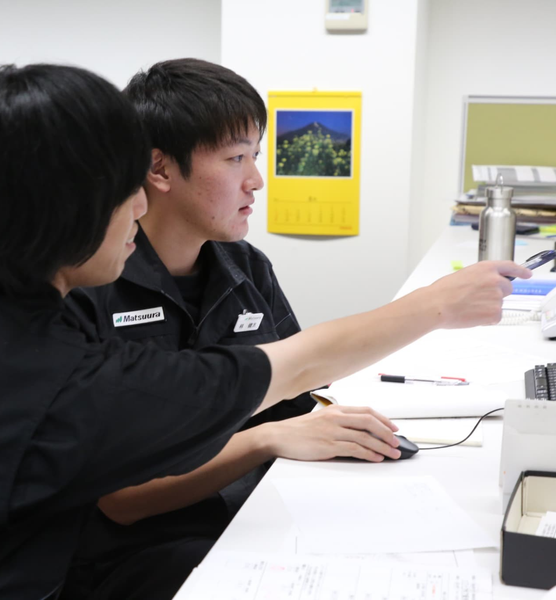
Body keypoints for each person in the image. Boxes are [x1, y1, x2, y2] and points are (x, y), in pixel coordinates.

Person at [0, 63, 528, 600]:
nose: (138, 206)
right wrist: (435, 305)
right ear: (65, 212)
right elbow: (283, 369)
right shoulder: (67, 376)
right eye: (124, 190)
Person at [62, 59, 529, 600]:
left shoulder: (244, 267)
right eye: (235, 158)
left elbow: (296, 389)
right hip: (139, 556)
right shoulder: (90, 286)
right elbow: (123, 499)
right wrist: (264, 440)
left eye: (255, 157)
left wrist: (332, 427)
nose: (256, 181)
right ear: (159, 169)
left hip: (245, 516)